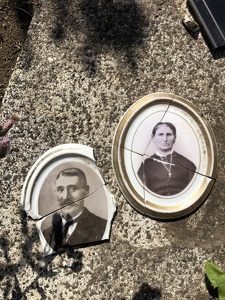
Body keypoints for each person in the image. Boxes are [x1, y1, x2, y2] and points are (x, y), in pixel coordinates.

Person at [40, 168, 107, 251]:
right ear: (55, 193)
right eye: (60, 190)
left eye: (72, 189)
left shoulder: (102, 227)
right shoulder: (46, 233)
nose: (65, 196)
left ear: (86, 190)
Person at [137, 122, 196, 196]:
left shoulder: (187, 164)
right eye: (160, 134)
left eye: (168, 134)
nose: (165, 139)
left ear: (175, 138)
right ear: (153, 138)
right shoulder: (146, 165)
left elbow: (195, 192)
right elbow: (142, 194)